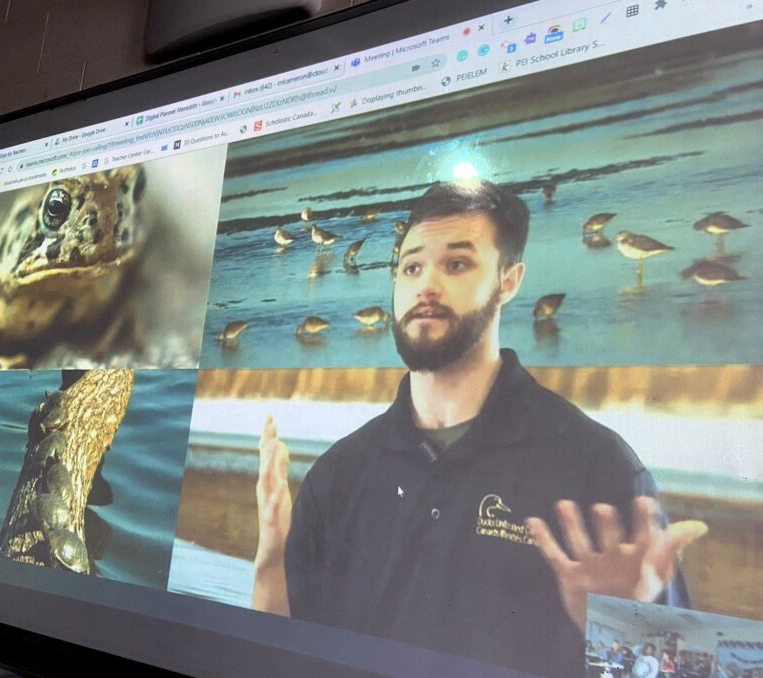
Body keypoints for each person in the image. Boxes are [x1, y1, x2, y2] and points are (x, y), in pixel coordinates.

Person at [252, 180, 704, 676]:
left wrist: (624, 633)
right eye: (411, 266)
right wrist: (271, 562)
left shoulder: (597, 467)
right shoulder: (339, 475)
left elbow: (683, 668)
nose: (426, 284)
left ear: (509, 281)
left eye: (457, 264)